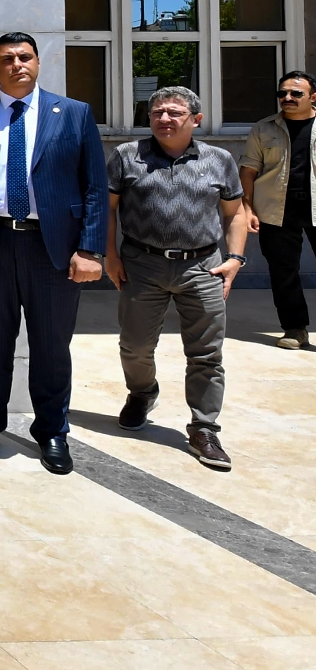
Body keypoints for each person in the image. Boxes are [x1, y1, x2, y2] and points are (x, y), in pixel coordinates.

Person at [0, 31, 106, 475]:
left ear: (38, 62)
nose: (18, 64)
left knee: (52, 345)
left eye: (25, 57)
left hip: (52, 247)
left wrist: (90, 249)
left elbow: (94, 186)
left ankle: (52, 430)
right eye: (7, 59)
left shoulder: (73, 114)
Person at [106, 86, 246, 470]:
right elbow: (109, 209)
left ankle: (204, 427)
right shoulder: (127, 156)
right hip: (142, 264)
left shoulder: (219, 159)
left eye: (174, 112)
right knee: (134, 346)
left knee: (206, 353)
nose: (164, 119)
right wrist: (111, 256)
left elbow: (234, 212)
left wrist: (235, 259)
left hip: (202, 267)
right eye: (157, 112)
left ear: (195, 120)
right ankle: (141, 393)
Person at [240, 71, 316, 349]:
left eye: (296, 93)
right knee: (283, 271)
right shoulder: (263, 128)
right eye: (282, 93)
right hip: (276, 208)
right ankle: (295, 329)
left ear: (313, 97)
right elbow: (248, 171)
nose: (288, 98)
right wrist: (247, 208)